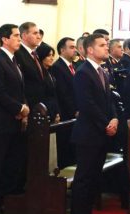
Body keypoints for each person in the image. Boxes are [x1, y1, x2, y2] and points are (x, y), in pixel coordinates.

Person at [70, 33, 118, 214]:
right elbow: (86, 104)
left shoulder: (102, 70)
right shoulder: (83, 72)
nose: (106, 47)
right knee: (84, 177)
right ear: (90, 50)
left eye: (107, 44)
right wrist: (106, 122)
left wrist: (114, 118)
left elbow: (109, 100)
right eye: (102, 45)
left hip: (100, 132)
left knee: (95, 176)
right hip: (88, 133)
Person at [0, 23, 29, 214]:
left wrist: (23, 107)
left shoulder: (13, 60)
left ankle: (4, 200)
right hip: (1, 122)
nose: (19, 39)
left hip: (14, 121)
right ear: (5, 39)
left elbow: (19, 89)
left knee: (11, 163)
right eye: (16, 36)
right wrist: (19, 108)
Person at [51, 37, 77, 169]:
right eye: (71, 47)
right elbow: (63, 93)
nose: (75, 50)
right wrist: (74, 110)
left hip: (74, 115)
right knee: (65, 147)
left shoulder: (73, 66)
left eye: (75, 47)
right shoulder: (57, 67)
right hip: (66, 113)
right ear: (62, 50)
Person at [36, 43, 60, 123]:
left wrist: (57, 112)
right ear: (42, 56)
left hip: (53, 110)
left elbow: (54, 94)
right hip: (44, 112)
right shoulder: (39, 73)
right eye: (49, 55)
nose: (52, 58)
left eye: (52, 55)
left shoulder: (50, 72)